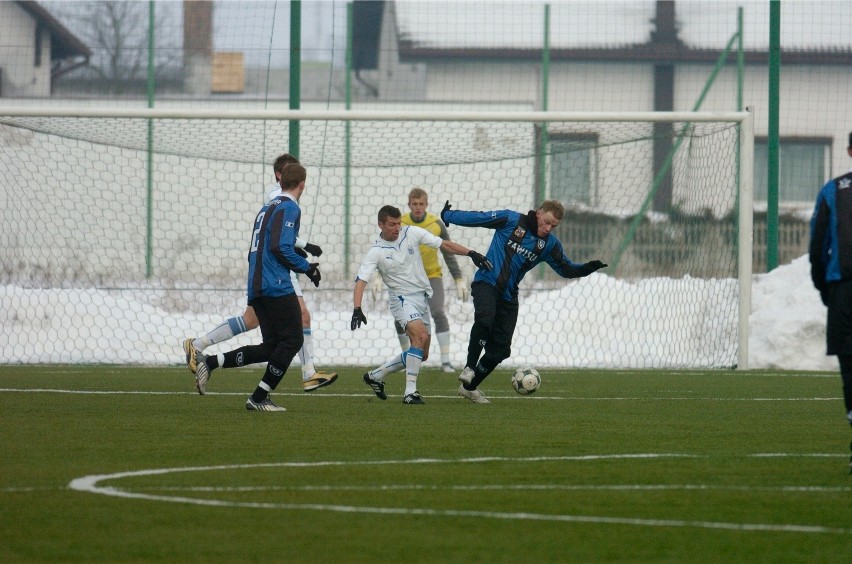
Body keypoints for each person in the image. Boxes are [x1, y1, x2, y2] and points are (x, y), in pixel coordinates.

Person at [183, 153, 337, 392]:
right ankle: (272, 390)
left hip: (260, 277)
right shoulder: (284, 202)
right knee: (295, 331)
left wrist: (302, 246)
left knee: (266, 337)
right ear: (292, 180)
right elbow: (279, 244)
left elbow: (273, 240)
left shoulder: (269, 206)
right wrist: (305, 265)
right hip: (275, 276)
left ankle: (209, 359)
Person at [441, 199, 607, 403]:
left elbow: (566, 269)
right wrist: (447, 216)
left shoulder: (550, 245)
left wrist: (587, 268)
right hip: (487, 282)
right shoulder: (511, 220)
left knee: (501, 350)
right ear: (538, 213)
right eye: (546, 222)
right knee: (485, 319)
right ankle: (469, 367)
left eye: (553, 226)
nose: (548, 228)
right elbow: (478, 218)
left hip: (509, 295)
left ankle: (469, 387)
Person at [351, 205, 493, 404]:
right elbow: (360, 281)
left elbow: (444, 244)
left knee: (422, 353)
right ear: (380, 224)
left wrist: (471, 253)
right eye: (392, 224)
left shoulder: (411, 232)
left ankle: (374, 376)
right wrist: (357, 308)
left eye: (399, 223)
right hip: (401, 299)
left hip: (421, 297)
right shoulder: (376, 251)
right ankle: (410, 393)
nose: (397, 228)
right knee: (420, 335)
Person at [808, 131, 852, 473]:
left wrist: (824, 288)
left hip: (844, 292)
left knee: (850, 371)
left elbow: (816, 247)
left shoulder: (832, 190)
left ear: (849, 151)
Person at [391, 187, 468, 372]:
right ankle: (407, 358)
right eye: (414, 204)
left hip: (432, 276)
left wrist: (458, 278)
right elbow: (387, 250)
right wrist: (377, 276)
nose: (418, 207)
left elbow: (448, 251)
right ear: (409, 204)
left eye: (421, 204)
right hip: (407, 279)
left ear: (426, 205)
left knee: (438, 312)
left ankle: (446, 361)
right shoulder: (400, 223)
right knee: (400, 318)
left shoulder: (436, 224)